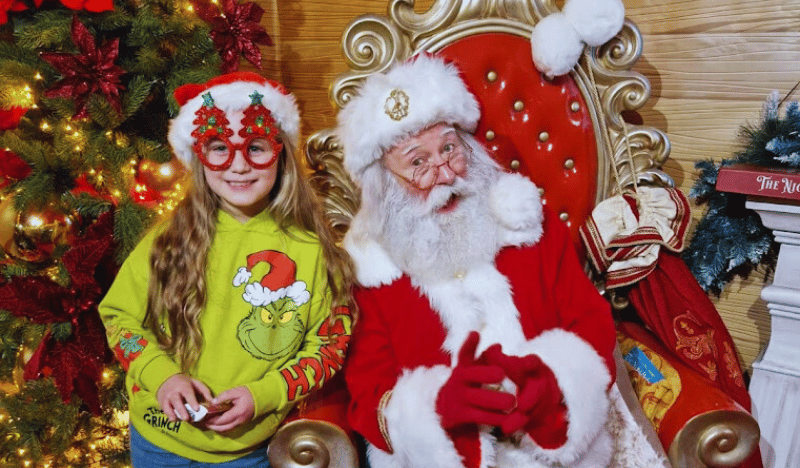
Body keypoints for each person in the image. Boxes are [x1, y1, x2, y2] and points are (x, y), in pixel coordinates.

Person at [335, 55, 665, 468]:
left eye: (449, 150)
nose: (444, 174)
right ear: (385, 186)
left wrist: (553, 382)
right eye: (417, 162)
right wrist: (436, 408)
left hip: (554, 443)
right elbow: (369, 390)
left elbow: (589, 323)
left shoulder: (528, 227)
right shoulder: (373, 269)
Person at [99, 72, 354, 467]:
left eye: (255, 147)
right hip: (157, 440)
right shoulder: (168, 239)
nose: (238, 166)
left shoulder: (314, 253)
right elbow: (118, 317)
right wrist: (161, 375)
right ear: (199, 157)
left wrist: (265, 393)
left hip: (246, 450)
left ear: (280, 152)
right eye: (219, 148)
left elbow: (329, 348)